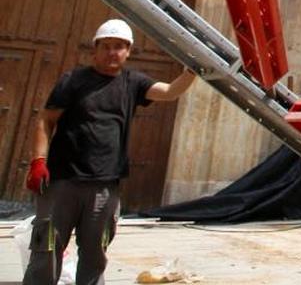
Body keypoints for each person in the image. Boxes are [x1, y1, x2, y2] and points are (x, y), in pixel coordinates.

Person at [22, 17, 197, 285]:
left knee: (94, 254)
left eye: (119, 46)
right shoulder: (73, 80)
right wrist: (38, 161)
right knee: (46, 250)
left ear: (128, 50)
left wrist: (192, 71)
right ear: (95, 48)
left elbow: (170, 92)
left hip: (104, 188)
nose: (112, 52)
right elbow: (46, 120)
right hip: (62, 182)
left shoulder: (133, 83)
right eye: (106, 46)